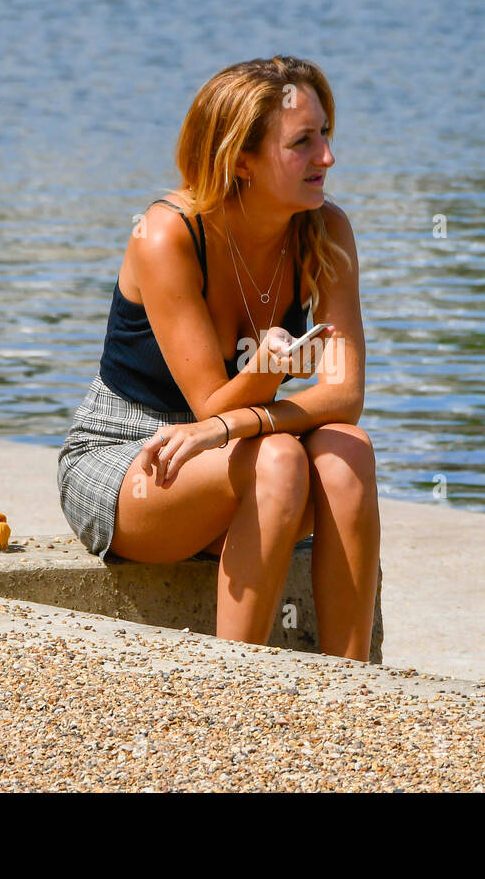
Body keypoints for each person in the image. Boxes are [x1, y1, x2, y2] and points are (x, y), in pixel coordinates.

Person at [58, 55, 379, 661]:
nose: (327, 158)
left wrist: (238, 420)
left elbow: (344, 396)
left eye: (327, 134)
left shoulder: (325, 229)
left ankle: (351, 685)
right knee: (280, 458)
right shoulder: (167, 233)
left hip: (240, 447)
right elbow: (208, 403)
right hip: (132, 453)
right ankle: (238, 689)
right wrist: (263, 377)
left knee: (346, 451)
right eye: (302, 142)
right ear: (240, 160)